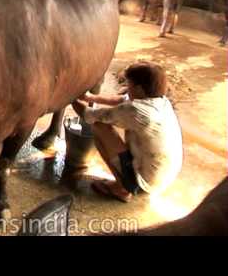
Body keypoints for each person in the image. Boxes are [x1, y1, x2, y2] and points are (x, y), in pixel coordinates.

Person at [72, 61, 183, 202]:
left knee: (99, 127)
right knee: (103, 125)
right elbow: (122, 100)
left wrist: (69, 96)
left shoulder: (138, 111)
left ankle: (122, 188)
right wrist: (89, 97)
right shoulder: (161, 101)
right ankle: (124, 183)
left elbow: (89, 115)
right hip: (162, 178)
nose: (126, 88)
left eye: (129, 85)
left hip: (144, 184)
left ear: (140, 89)